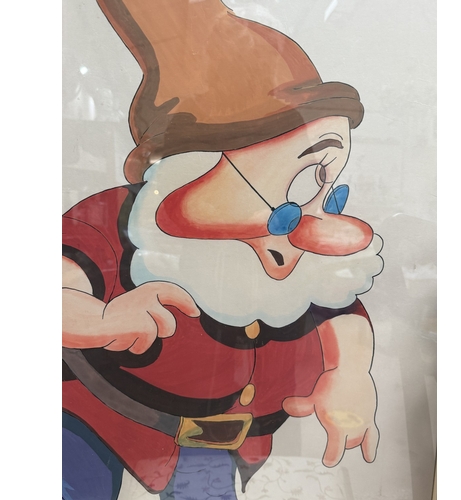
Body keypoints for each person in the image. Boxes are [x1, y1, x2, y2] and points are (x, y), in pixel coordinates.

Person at [62, 1, 384, 498]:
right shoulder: (113, 219)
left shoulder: (301, 259)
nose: (317, 222)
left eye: (331, 188)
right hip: (89, 420)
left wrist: (350, 372)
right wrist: (100, 321)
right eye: (300, 183)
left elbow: (338, 310)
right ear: (198, 168)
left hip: (208, 448)